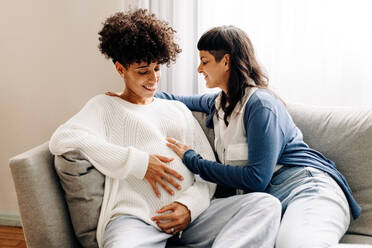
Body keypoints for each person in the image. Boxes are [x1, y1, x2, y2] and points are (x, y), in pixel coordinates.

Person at [49, 10, 281, 248]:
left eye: (157, 69)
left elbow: (206, 172)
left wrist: (189, 207)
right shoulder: (104, 106)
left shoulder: (175, 109)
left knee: (265, 205)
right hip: (136, 220)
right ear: (120, 69)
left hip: (194, 218)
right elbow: (62, 138)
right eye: (142, 71)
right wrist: (138, 163)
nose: (153, 78)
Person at [155, 25, 361, 248]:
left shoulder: (260, 105)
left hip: (307, 190)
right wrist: (125, 95)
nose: (198, 68)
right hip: (271, 204)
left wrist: (193, 160)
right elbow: (172, 98)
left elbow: (256, 179)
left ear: (225, 62)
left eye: (204, 61)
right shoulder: (219, 102)